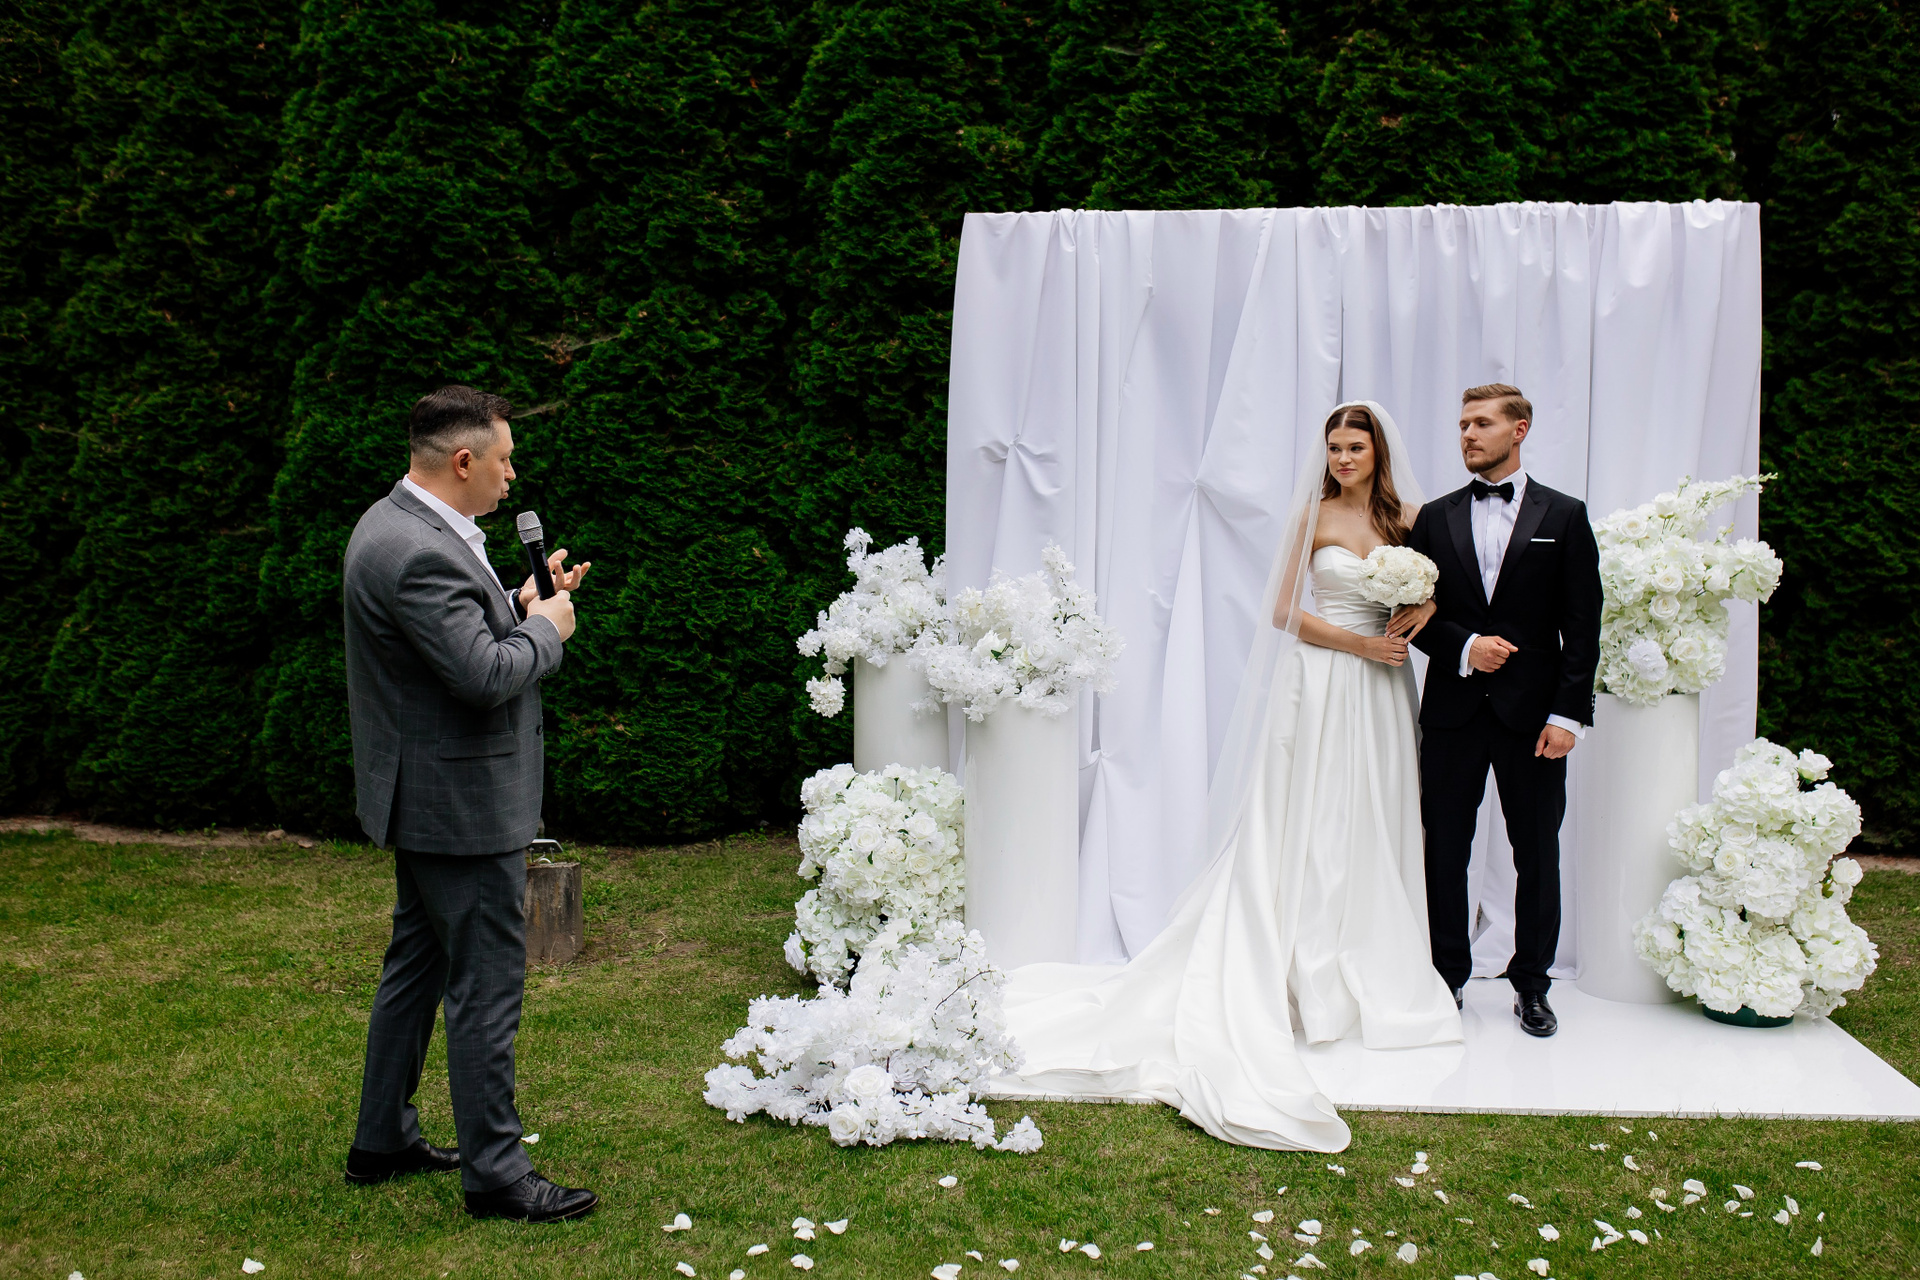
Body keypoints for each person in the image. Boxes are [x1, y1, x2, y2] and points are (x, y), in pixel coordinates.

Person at [988, 401, 1461, 1152]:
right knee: (1307, 816)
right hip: (1322, 678)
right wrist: (1359, 645)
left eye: (1355, 447)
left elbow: (1443, 594)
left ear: (1378, 452)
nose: (1343, 458)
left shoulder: (1410, 518)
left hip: (1381, 688)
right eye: (1334, 447)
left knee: (1372, 813)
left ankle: (1365, 965)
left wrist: (1425, 607)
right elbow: (1281, 612)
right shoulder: (1312, 516)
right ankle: (1299, 971)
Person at [340, 385, 598, 1221]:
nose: (512, 476)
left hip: (427, 794)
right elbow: (483, 675)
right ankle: (496, 1176)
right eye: (504, 460)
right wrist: (549, 629)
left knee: (416, 968)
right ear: (462, 461)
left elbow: (452, 642)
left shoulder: (398, 524)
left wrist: (519, 605)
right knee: (485, 987)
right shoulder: (420, 551)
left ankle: (382, 1138)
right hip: (460, 803)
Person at [1400, 384, 1602, 1038]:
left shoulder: (1565, 515)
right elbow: (1413, 615)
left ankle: (1533, 985)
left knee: (1537, 853)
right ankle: (1446, 978)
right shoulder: (1434, 518)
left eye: (1482, 423)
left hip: (1535, 719)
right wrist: (1465, 648)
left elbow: (1583, 625)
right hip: (1453, 712)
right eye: (1463, 424)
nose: (1468, 434)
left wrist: (1567, 718)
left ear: (1519, 430)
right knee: (1443, 851)